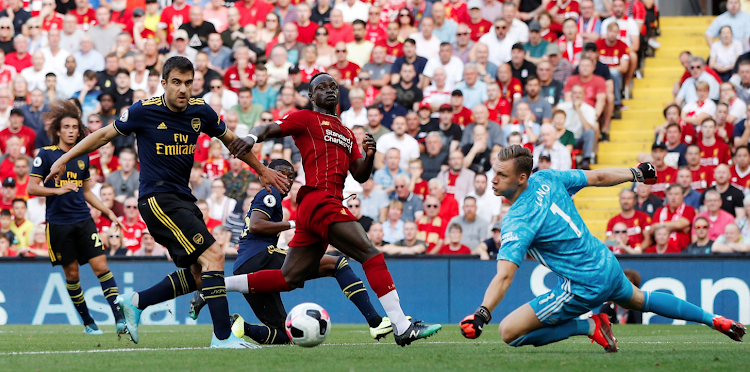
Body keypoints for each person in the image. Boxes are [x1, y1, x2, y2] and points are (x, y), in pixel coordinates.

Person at [45, 57, 289, 348]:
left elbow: (233, 141)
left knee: (201, 274)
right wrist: (64, 158)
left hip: (182, 198)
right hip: (157, 198)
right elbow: (102, 135)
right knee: (214, 255)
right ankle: (223, 337)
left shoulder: (201, 111)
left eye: (188, 82)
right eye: (176, 82)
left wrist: (261, 170)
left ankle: (136, 302)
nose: (183, 89)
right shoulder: (144, 111)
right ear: (163, 83)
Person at [459, 145, 746, 351]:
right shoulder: (548, 178)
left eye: (501, 175)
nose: (493, 179)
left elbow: (505, 275)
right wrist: (635, 173)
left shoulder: (517, 220)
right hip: (605, 262)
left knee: (510, 332)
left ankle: (589, 326)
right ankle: (712, 319)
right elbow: (596, 177)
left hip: (584, 284)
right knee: (639, 299)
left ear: (521, 178)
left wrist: (482, 313)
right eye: (494, 172)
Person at [228, 72, 441, 345]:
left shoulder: (346, 132)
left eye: (333, 87)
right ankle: (401, 326)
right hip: (321, 199)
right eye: (321, 87)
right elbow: (269, 128)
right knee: (370, 253)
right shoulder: (305, 118)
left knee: (289, 277)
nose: (329, 90)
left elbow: (360, 175)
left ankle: (217, 285)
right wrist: (250, 137)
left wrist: (370, 156)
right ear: (310, 95)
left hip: (317, 207)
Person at [190, 159, 396, 343]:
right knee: (337, 264)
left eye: (291, 177)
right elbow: (256, 225)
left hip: (245, 266)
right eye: (283, 175)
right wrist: (292, 223)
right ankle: (375, 321)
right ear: (270, 175)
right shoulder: (270, 194)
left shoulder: (271, 197)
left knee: (286, 335)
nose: (288, 181)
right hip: (260, 257)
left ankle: (241, 326)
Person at [27, 100, 127, 336]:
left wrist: (108, 211)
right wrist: (57, 190)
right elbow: (32, 188)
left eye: (75, 127)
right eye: (67, 127)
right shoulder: (47, 155)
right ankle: (88, 323)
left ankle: (120, 318)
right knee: (72, 274)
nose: (71, 131)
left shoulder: (83, 156)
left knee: (102, 267)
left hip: (83, 220)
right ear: (58, 131)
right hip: (58, 224)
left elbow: (87, 191)